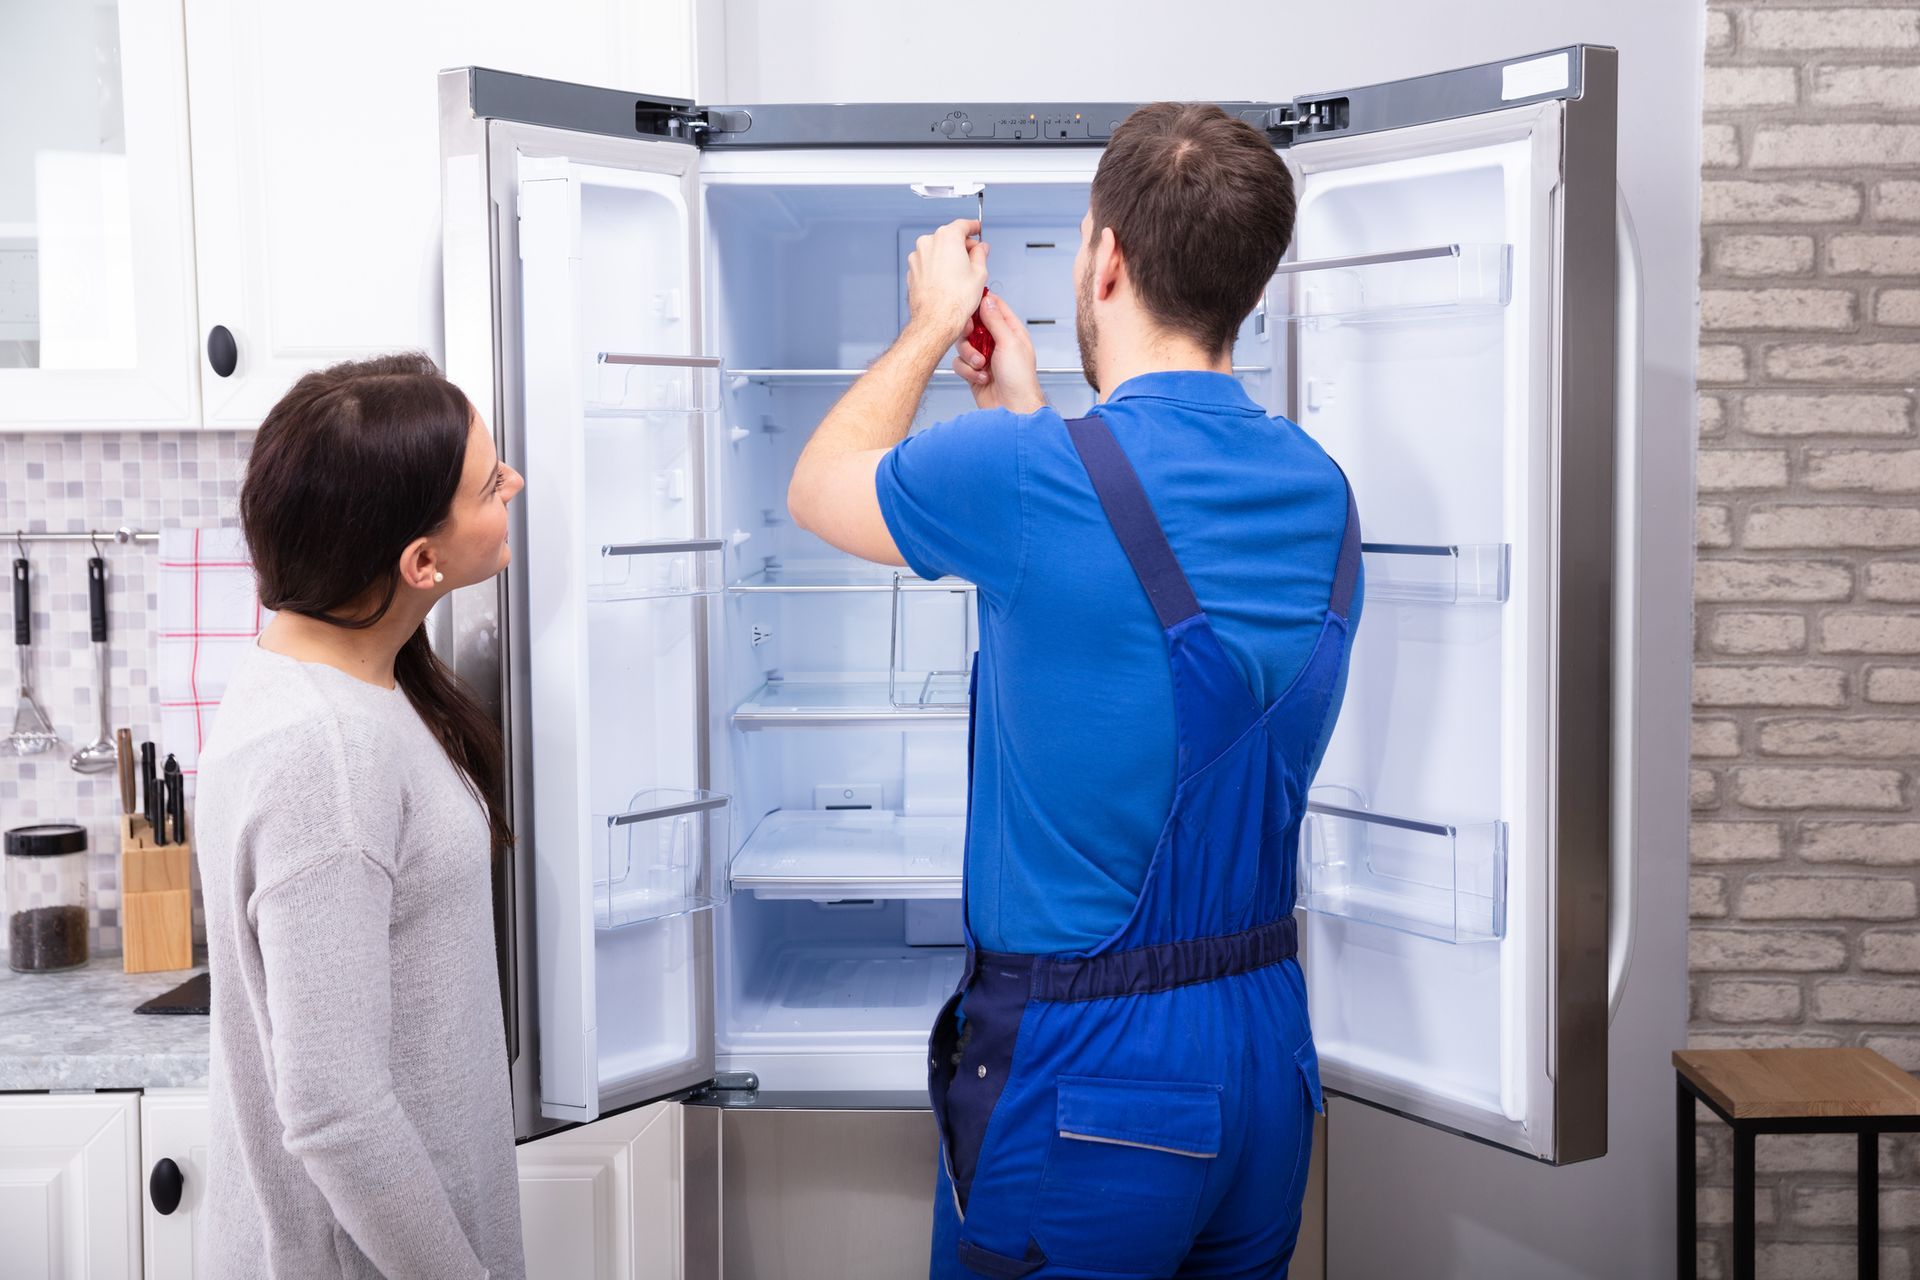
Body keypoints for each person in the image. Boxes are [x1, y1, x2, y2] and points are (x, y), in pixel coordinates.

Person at [788, 103, 1361, 1278]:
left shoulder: (1024, 480)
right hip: (1262, 1053)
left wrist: (931, 324)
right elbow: (1117, 613)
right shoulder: (1321, 489)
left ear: (1104, 261)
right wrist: (1022, 406)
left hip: (1090, 1074)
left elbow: (821, 485)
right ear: (1249, 285)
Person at [195, 354, 527, 1279]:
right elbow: (335, 1109)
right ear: (420, 561)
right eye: (490, 482)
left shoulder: (320, 677)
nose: (516, 485)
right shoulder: (327, 755)